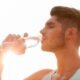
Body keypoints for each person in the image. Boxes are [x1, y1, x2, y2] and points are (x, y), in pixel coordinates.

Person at [2, 6, 80, 80]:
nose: (41, 31)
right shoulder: (42, 76)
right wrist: (2, 52)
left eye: (51, 26)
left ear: (70, 33)